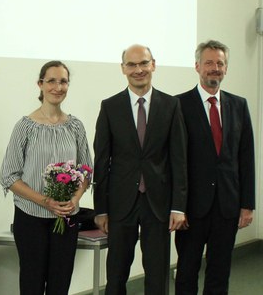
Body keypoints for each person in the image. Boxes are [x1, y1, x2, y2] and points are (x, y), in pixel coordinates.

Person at [93, 44, 187, 295]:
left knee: (157, 275)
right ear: (123, 69)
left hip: (158, 203)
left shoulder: (171, 105)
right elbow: (101, 161)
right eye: (132, 65)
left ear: (153, 65)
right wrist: (100, 208)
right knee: (116, 274)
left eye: (144, 63)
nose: (139, 70)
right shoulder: (110, 107)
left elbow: (179, 159)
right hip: (120, 202)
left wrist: (178, 205)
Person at [0, 60, 93, 295]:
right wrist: (45, 201)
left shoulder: (75, 126)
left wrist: (75, 199)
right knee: (32, 285)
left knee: (60, 285)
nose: (57, 87)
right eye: (51, 81)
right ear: (40, 84)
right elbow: (9, 175)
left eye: (63, 81)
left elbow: (86, 170)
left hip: (67, 218)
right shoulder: (25, 127)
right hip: (31, 219)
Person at [174, 40, 255, 295]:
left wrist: (247, 204)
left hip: (227, 207)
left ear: (226, 69)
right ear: (197, 66)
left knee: (220, 272)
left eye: (220, 63)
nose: (214, 68)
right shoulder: (179, 105)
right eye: (209, 62)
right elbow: (175, 160)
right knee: (186, 272)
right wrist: (177, 206)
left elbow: (246, 157)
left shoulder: (239, 105)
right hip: (192, 210)